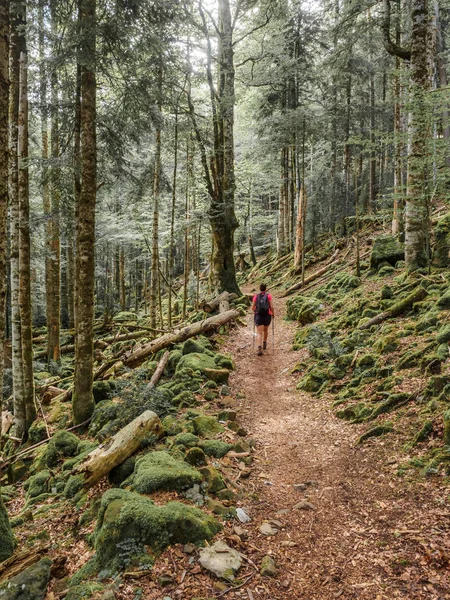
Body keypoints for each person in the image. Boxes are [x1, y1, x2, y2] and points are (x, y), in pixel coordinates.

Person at [252, 283, 274, 356]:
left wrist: (255, 311)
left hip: (258, 316)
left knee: (259, 332)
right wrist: (273, 314)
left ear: (260, 288)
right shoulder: (268, 296)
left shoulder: (256, 296)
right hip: (267, 315)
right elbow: (271, 306)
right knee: (265, 330)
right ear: (265, 288)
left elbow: (252, 307)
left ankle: (259, 348)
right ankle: (264, 343)